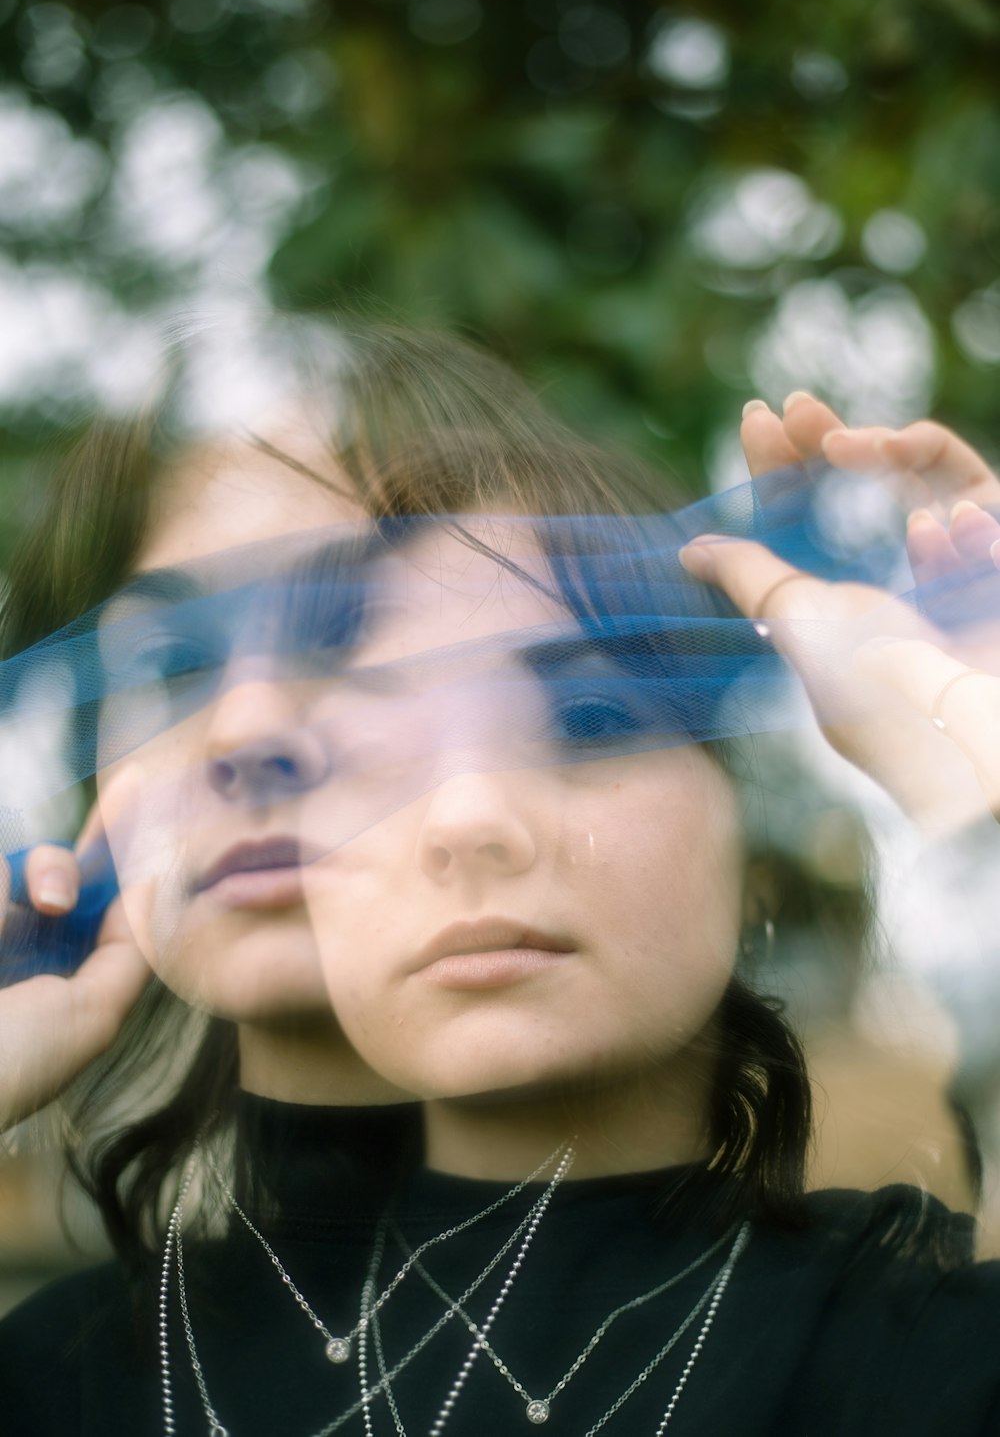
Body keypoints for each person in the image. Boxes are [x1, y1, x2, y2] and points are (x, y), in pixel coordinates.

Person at [0, 322, 998, 1435]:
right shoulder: (58, 1369)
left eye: (336, 639)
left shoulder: (900, 1338)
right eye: (178, 661)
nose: (252, 730)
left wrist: (968, 744)